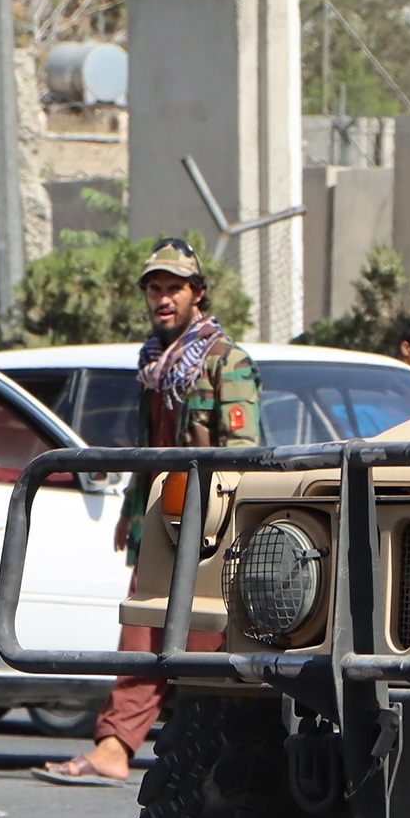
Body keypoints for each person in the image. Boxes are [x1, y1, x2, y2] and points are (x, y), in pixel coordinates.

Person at [38, 239, 259, 785]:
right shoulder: (154, 363)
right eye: (155, 289)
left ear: (197, 294)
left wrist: (221, 528)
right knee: (141, 636)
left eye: (174, 288)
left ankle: (216, 764)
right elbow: (149, 447)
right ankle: (114, 747)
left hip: (210, 527)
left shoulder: (225, 361)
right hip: (163, 521)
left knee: (206, 648)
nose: (163, 299)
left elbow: (244, 454)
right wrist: (132, 513)